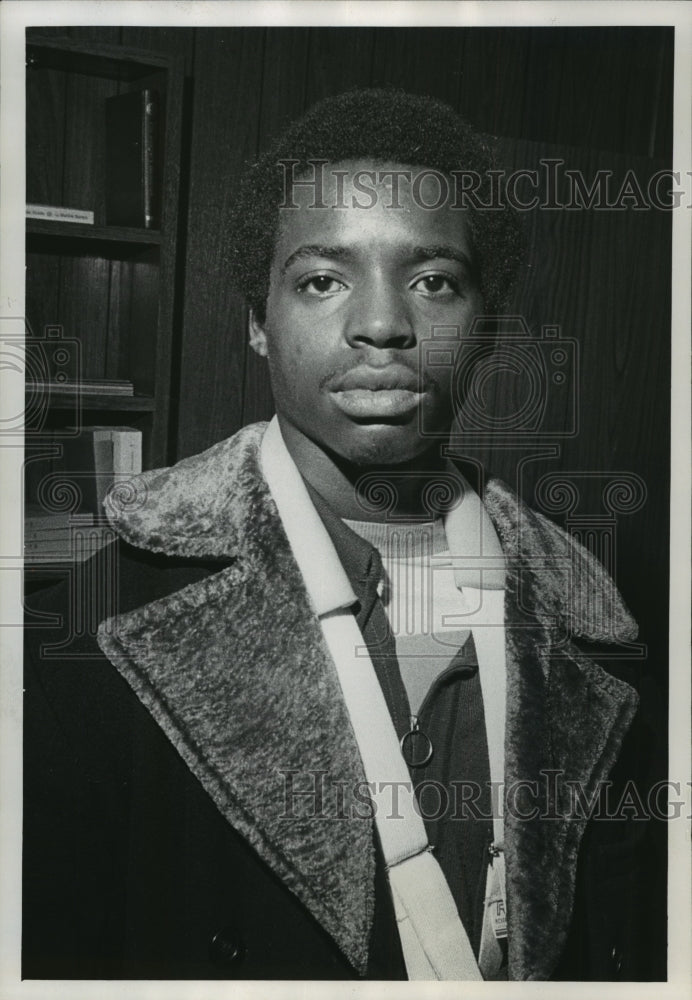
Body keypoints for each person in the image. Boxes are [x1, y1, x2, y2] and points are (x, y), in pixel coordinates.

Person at [23, 89, 650, 981]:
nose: (383, 324)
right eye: (323, 279)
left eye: (433, 280)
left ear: (488, 326)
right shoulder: (90, 640)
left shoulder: (600, 635)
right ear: (256, 322)